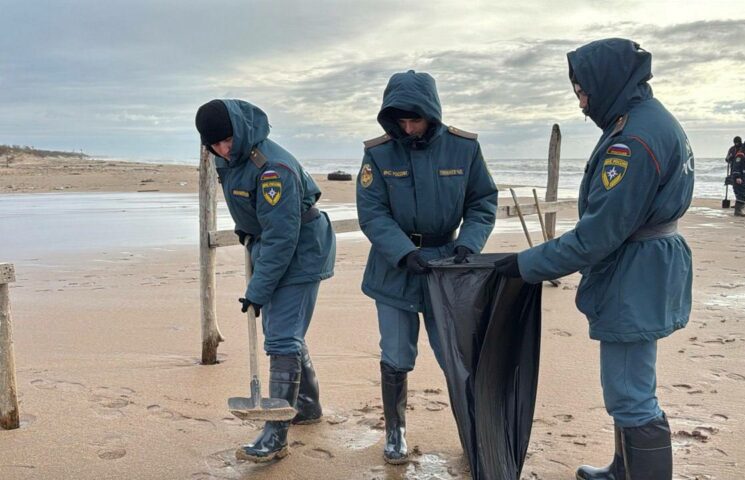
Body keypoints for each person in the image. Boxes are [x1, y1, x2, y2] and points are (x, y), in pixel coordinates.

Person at [495, 39, 693, 479]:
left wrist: (526, 264)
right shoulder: (650, 120)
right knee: (632, 383)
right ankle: (623, 468)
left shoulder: (633, 141)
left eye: (583, 92)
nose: (582, 104)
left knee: (630, 391)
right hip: (648, 264)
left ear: (608, 82)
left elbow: (596, 236)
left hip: (635, 270)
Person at [356, 70, 498, 464]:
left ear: (431, 114)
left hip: (448, 268)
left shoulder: (464, 148)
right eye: (399, 120)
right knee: (397, 353)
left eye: (414, 119)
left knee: (456, 354)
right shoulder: (379, 154)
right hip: (394, 267)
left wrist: (468, 245)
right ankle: (395, 431)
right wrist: (403, 252)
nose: (408, 127)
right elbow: (372, 212)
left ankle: (473, 433)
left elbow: (482, 202)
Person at [195, 99, 336, 463]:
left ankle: (276, 433)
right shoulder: (228, 159)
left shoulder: (273, 168)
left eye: (227, 140)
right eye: (215, 145)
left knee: (281, 337)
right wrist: (246, 230)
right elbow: (251, 209)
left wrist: (256, 291)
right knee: (283, 330)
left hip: (301, 248)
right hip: (271, 245)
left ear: (239, 132)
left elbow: (282, 236)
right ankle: (306, 405)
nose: (224, 149)